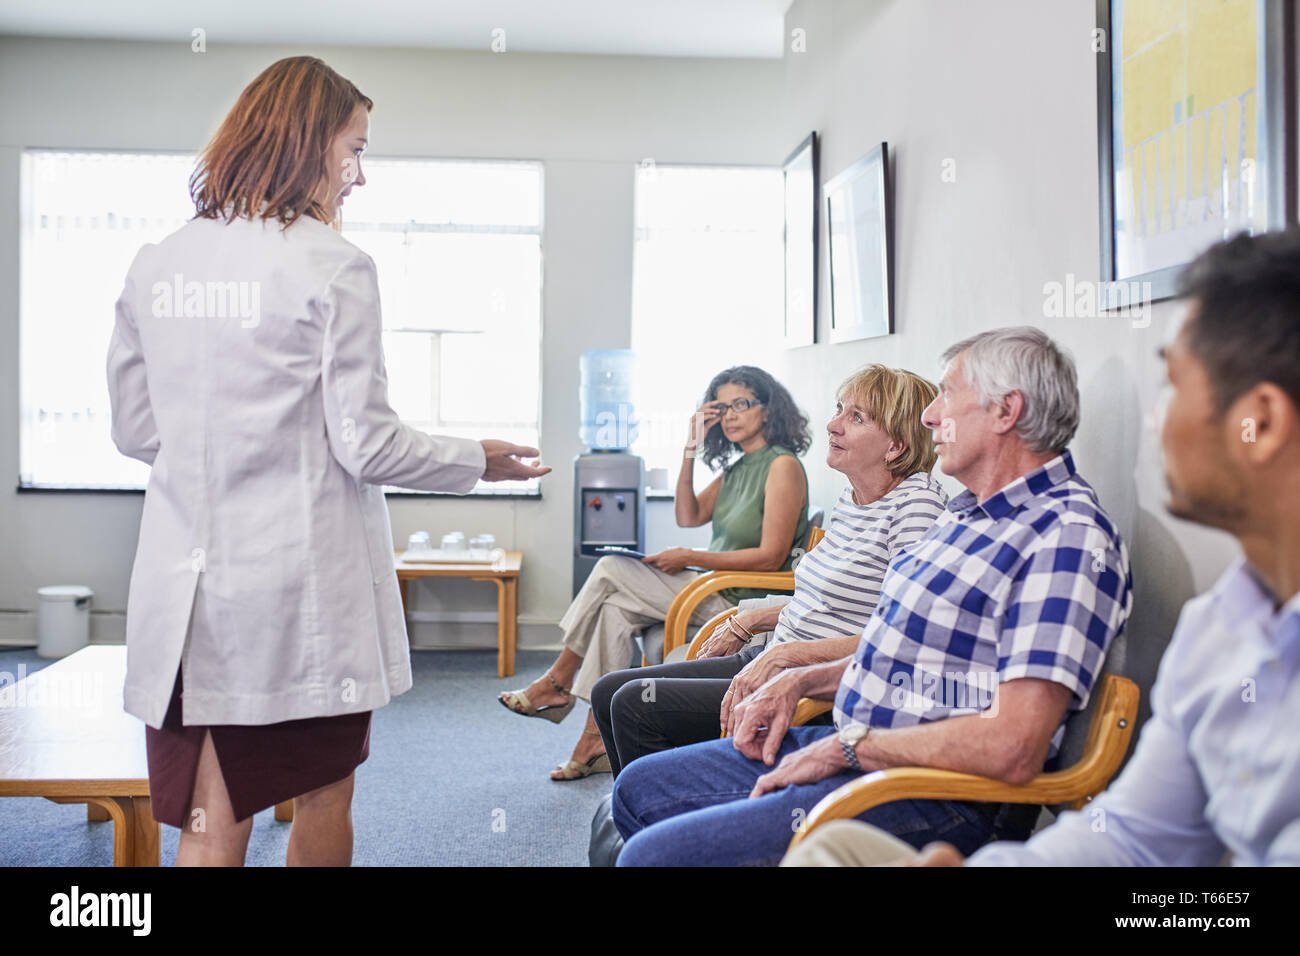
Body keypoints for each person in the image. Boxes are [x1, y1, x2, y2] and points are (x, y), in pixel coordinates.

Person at [105, 56, 550, 867]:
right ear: (305, 143)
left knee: (210, 818)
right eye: (354, 149)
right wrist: (476, 459)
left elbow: (136, 433)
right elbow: (368, 443)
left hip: (184, 598)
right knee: (322, 794)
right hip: (293, 600)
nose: (361, 176)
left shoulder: (155, 263)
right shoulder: (331, 265)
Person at [783, 231, 1300, 868]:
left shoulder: (1068, 535)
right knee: (827, 852)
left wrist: (853, 746)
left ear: (1263, 422)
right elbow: (1137, 839)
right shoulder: (1223, 623)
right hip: (874, 760)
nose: (1154, 422)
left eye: (1172, 385)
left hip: (919, 789)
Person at [611, 326, 1133, 866]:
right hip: (865, 748)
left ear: (1006, 411)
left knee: (649, 856)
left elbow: (1014, 744)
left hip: (935, 793)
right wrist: (800, 678)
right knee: (635, 789)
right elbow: (909, 656)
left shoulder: (1064, 537)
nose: (930, 417)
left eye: (947, 395)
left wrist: (847, 747)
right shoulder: (969, 515)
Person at [590, 365, 948, 777]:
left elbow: (905, 637)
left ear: (896, 448)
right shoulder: (854, 499)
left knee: (634, 705)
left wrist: (787, 656)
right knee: (608, 691)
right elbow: (827, 601)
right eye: (839, 409)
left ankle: (656, 819)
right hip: (774, 653)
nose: (833, 425)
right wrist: (754, 621)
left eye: (856, 418)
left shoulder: (916, 506)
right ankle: (650, 811)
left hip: (812, 685)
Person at [499, 366, 812, 780]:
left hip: (735, 600)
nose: (732, 415)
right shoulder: (739, 467)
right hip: (709, 588)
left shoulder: (782, 466)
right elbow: (688, 515)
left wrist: (689, 556)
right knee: (614, 609)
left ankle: (558, 680)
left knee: (611, 567)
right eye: (722, 408)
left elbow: (771, 557)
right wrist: (689, 449)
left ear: (768, 411)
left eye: (742, 404)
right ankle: (593, 738)